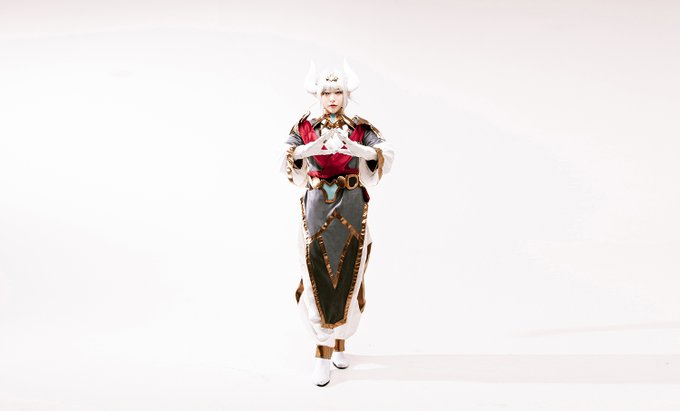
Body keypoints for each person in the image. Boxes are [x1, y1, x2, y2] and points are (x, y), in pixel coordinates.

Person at [280, 61, 394, 386]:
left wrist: (361, 150)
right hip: (317, 209)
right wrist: (307, 149)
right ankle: (322, 351)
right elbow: (284, 156)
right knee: (315, 273)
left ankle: (340, 342)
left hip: (353, 208)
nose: (332, 98)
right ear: (318, 95)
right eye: (327, 92)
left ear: (346, 94)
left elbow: (386, 152)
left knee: (350, 275)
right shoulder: (305, 126)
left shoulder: (359, 127)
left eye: (338, 92)